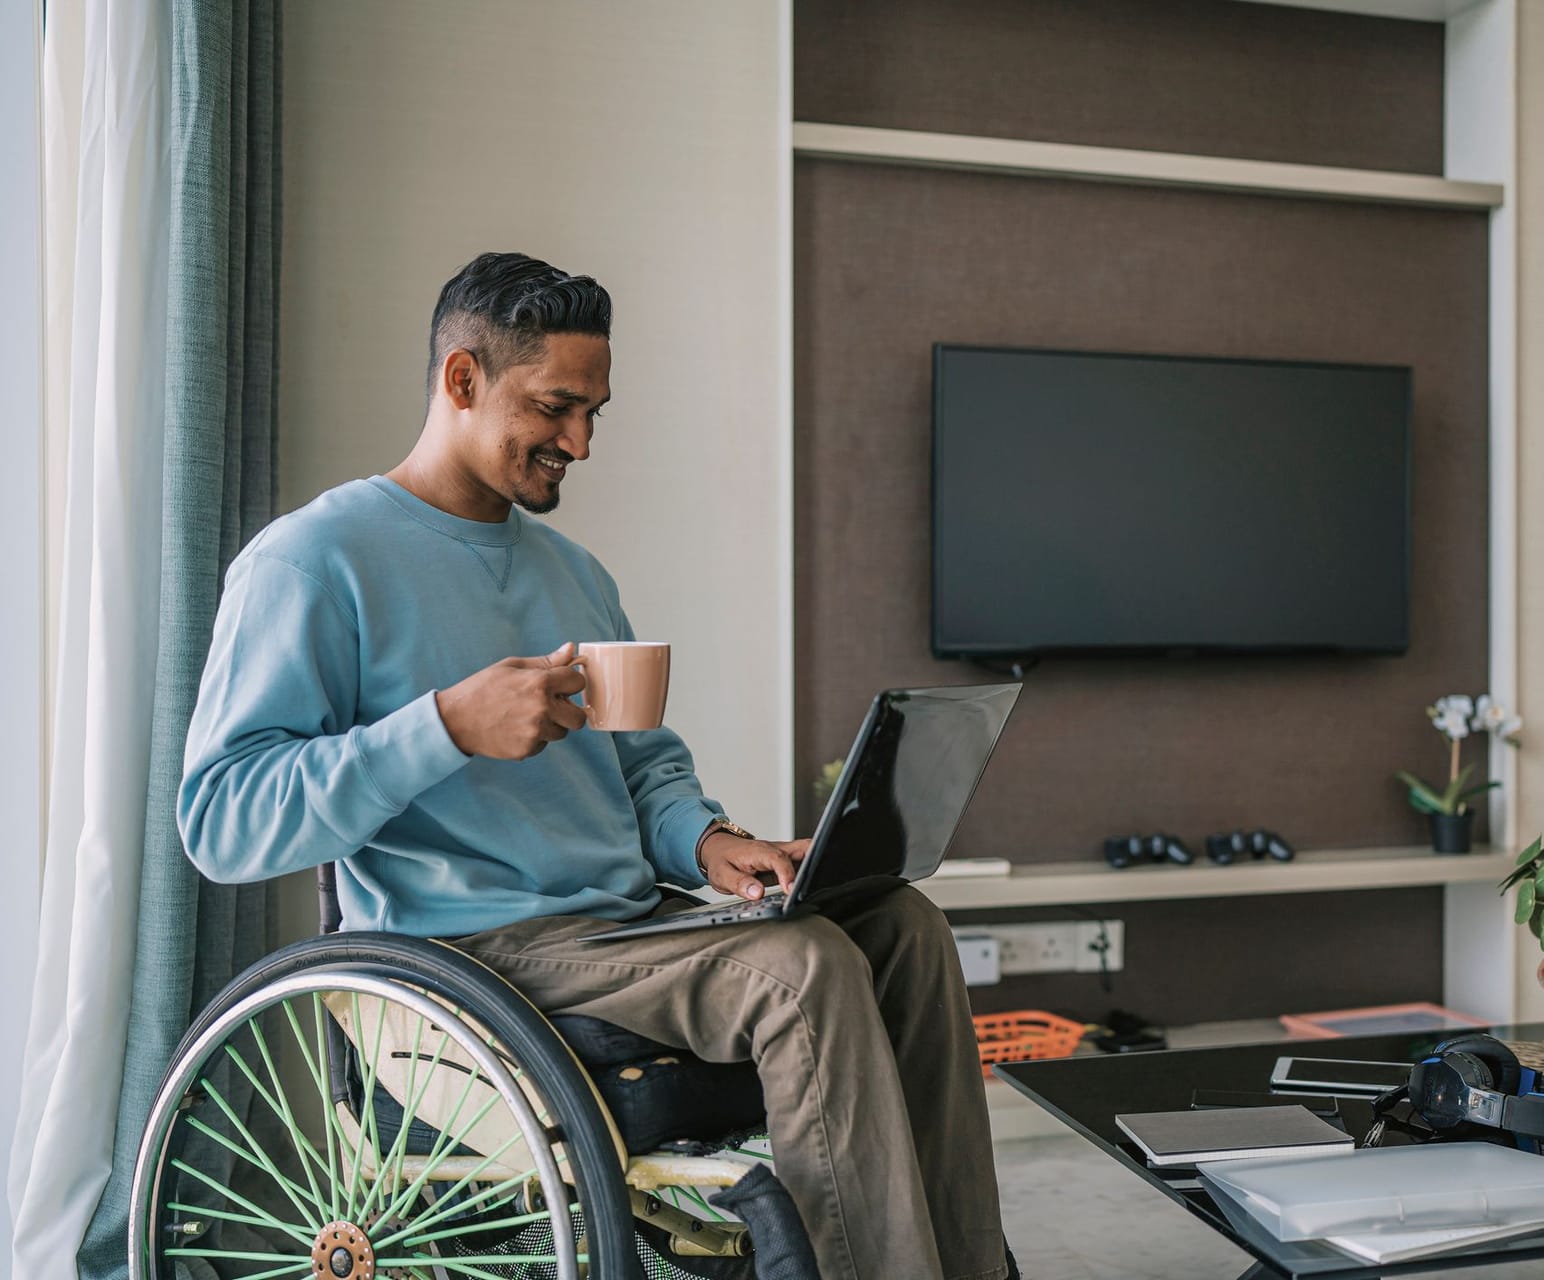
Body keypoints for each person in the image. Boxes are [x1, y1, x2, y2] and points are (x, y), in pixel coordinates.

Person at [177, 251, 1010, 1280]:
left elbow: (648, 771)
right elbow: (220, 819)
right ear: (463, 380)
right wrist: (443, 725)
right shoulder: (312, 562)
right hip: (477, 947)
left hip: (627, 927)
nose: (579, 441)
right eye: (557, 407)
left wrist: (710, 840)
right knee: (801, 970)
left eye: (594, 413)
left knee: (904, 925)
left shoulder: (576, 573)